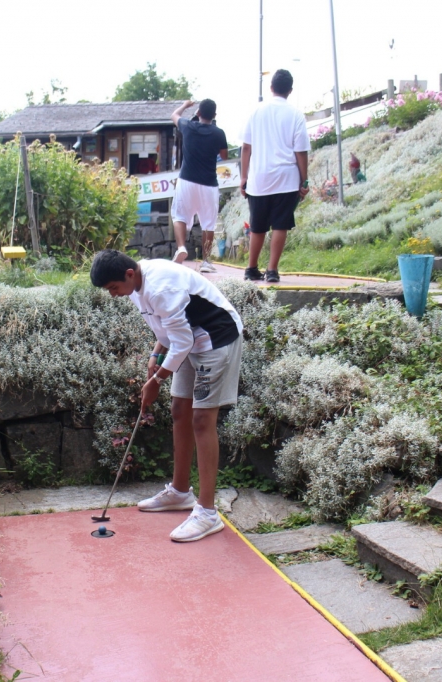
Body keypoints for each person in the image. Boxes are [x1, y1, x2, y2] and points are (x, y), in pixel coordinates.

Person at [89, 249, 243, 542]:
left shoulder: (162, 287)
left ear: (129, 274)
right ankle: (180, 492)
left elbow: (182, 338)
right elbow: (166, 329)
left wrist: (157, 379)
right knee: (179, 411)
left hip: (216, 339)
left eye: (113, 288)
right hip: (187, 340)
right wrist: (155, 355)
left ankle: (208, 513)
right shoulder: (136, 286)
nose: (113, 295)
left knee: (201, 419)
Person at [239, 69, 310, 283]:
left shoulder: (256, 112)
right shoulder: (296, 114)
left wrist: (244, 177)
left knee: (257, 225)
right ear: (290, 90)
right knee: (280, 225)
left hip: (258, 179)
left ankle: (251, 268)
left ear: (271, 88)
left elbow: (245, 148)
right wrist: (303, 180)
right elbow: (301, 151)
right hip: (286, 179)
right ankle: (271, 271)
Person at [170, 99, 228, 273]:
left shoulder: (188, 126)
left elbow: (174, 115)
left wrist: (186, 106)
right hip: (208, 184)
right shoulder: (219, 133)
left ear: (199, 113)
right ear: (214, 115)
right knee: (208, 223)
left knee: (180, 215)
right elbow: (224, 156)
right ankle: (206, 261)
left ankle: (181, 247)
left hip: (186, 180)